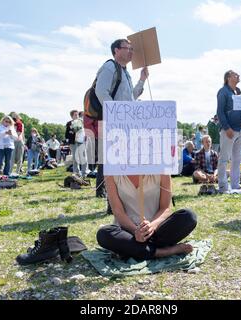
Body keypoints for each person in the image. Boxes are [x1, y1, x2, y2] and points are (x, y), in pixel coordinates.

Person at [85, 38, 149, 198]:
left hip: (121, 120)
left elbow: (130, 98)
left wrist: (142, 79)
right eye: (127, 48)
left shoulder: (125, 73)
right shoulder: (109, 67)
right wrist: (114, 113)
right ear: (116, 51)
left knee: (114, 159)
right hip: (112, 120)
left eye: (132, 49)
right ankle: (106, 194)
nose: (131, 51)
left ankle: (112, 195)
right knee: (111, 159)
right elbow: (101, 91)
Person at [97, 175, 197, 261]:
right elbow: (118, 212)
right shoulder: (111, 173)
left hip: (157, 230)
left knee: (189, 216)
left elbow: (165, 208)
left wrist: (151, 227)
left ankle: (135, 250)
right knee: (103, 234)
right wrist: (136, 231)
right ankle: (162, 252)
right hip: (128, 233)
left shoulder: (162, 169)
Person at [217, 70, 241, 193]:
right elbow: (220, 111)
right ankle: (223, 186)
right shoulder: (223, 92)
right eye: (236, 74)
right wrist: (226, 127)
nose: (238, 75)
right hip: (229, 130)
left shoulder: (238, 91)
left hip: (240, 130)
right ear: (228, 77)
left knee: (237, 158)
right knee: (224, 159)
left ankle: (235, 184)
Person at [65, 110, 87, 177]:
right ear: (72, 116)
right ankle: (76, 173)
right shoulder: (69, 123)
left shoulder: (82, 122)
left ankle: (84, 173)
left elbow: (86, 130)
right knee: (75, 159)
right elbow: (66, 134)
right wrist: (72, 132)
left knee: (83, 157)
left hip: (82, 142)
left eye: (77, 114)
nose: (77, 116)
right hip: (73, 142)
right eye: (75, 115)